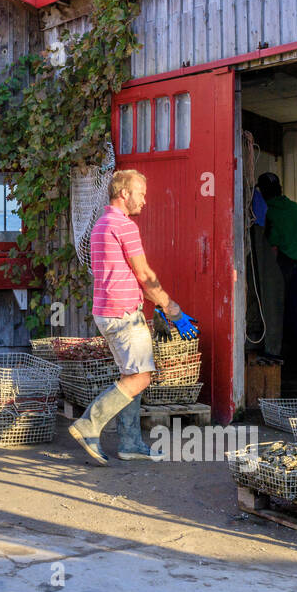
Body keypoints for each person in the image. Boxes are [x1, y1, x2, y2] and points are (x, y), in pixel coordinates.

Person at [68, 169, 198, 466]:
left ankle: (130, 443)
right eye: (140, 193)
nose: (144, 200)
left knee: (131, 374)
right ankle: (89, 424)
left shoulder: (102, 224)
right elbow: (144, 275)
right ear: (124, 193)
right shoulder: (124, 226)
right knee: (140, 377)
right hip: (124, 312)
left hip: (106, 310)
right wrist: (172, 308)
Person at [255, 173, 297, 366]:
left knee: (278, 313)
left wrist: (269, 280)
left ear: (262, 192)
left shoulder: (268, 213)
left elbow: (273, 250)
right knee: (296, 314)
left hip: (282, 269)